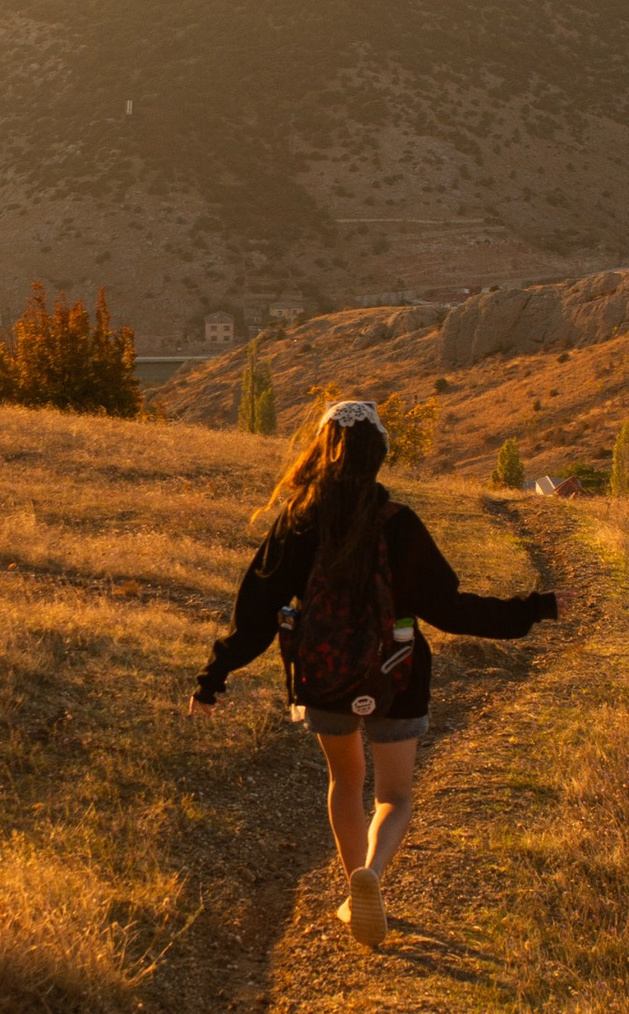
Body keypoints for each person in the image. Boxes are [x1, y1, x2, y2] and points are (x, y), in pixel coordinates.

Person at [189, 395, 559, 950]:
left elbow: (256, 613)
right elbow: (452, 610)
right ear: (378, 455)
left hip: (323, 677)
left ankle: (350, 884)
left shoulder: (298, 520)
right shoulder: (399, 523)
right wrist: (535, 607)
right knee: (395, 795)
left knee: (345, 783)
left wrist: (215, 676)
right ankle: (371, 877)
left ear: (320, 452)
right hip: (398, 674)